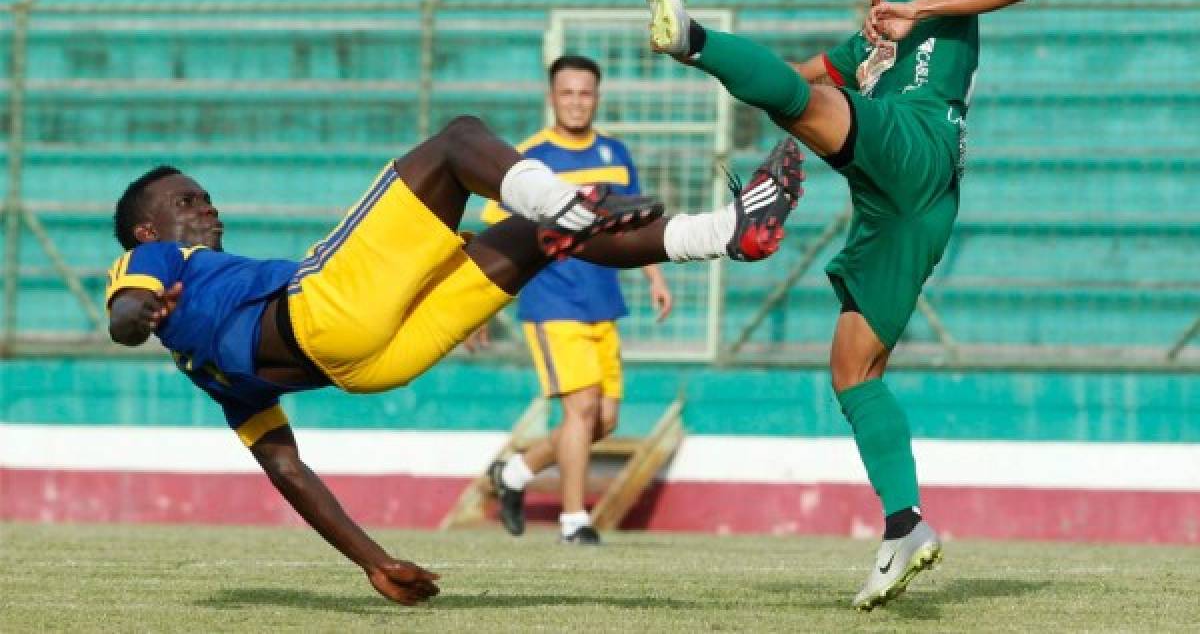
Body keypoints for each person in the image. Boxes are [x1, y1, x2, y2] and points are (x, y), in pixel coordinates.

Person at [105, 115, 804, 605]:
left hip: (371, 367)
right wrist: (140, 313)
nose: (207, 207)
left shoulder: (199, 360)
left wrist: (374, 563)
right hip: (325, 309)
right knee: (459, 139)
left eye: (206, 197)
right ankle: (568, 205)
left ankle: (730, 233)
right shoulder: (157, 260)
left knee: (535, 239)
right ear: (146, 230)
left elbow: (286, 467)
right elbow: (123, 317)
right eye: (186, 201)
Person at [633, 0, 1029, 610]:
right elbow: (806, 75)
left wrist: (918, 9)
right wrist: (745, 88)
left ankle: (688, 33)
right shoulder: (870, 36)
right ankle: (905, 525)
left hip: (920, 142)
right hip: (901, 207)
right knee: (852, 368)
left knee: (803, 104)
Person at [478, 55, 672, 546]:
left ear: (597, 97)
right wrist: (483, 304)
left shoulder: (614, 152)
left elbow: (637, 224)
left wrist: (654, 276)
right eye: (567, 93)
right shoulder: (528, 159)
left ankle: (517, 473)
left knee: (603, 421)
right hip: (551, 301)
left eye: (585, 93)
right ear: (551, 97)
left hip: (603, 300)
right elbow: (495, 227)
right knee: (581, 411)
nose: (576, 101)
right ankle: (573, 521)